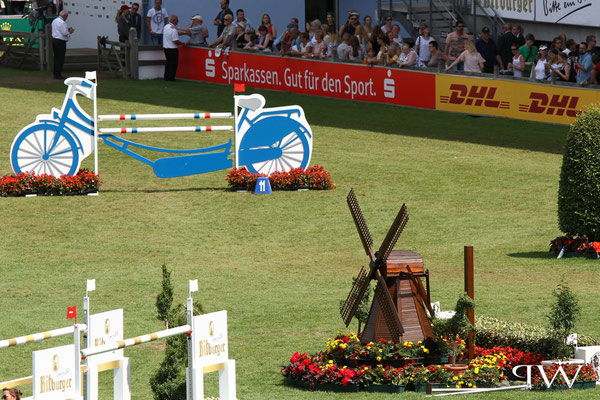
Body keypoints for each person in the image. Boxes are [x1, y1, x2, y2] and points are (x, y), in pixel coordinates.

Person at [163, 15, 186, 81]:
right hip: (172, 49)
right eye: (177, 20)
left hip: (166, 48)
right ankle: (171, 78)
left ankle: (166, 77)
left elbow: (175, 34)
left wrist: (184, 33)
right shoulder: (173, 30)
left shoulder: (166, 27)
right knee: (173, 64)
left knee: (168, 63)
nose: (177, 22)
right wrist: (182, 43)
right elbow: (175, 40)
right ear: (174, 20)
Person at [51, 10, 73, 80]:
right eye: (66, 16)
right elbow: (64, 33)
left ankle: (55, 73)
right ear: (64, 16)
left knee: (56, 57)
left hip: (55, 40)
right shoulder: (62, 23)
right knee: (60, 58)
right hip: (60, 41)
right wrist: (69, 32)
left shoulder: (54, 21)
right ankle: (58, 74)